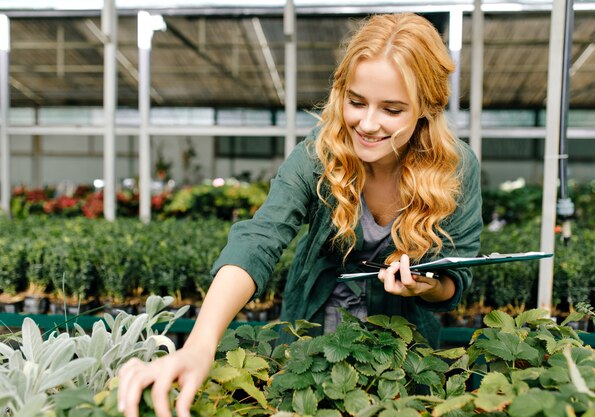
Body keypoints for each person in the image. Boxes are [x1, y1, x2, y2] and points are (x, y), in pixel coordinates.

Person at [117, 12, 482, 417]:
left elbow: (457, 278)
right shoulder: (321, 151)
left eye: (392, 110)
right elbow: (260, 238)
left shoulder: (457, 167)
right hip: (310, 343)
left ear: (427, 107)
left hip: (401, 356)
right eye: (356, 101)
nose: (368, 123)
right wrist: (201, 343)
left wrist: (424, 286)